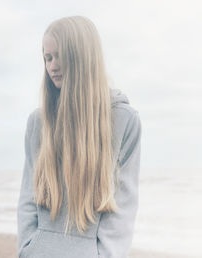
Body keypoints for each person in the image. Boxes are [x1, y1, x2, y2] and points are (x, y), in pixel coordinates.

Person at [17, 16, 142, 258]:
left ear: (83, 56)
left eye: (60, 55)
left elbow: (123, 210)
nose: (52, 66)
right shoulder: (38, 123)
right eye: (47, 57)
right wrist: (27, 250)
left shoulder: (124, 120)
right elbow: (27, 200)